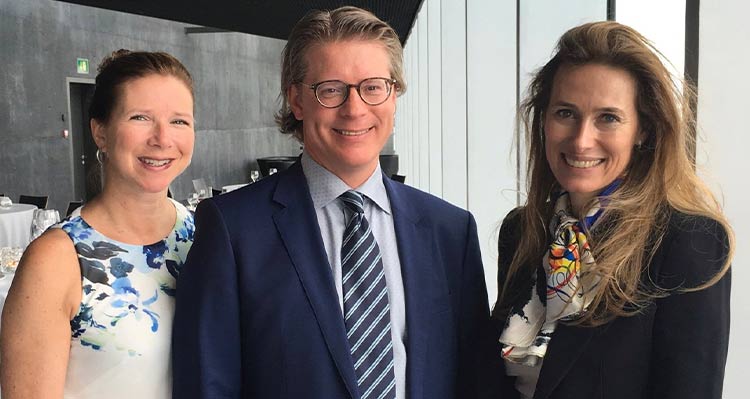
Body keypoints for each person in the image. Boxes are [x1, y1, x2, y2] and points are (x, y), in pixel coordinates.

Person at [172, 6, 499, 399]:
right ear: (296, 100)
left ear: (394, 95)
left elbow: (477, 381)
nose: (355, 108)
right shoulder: (233, 229)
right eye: (331, 89)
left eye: (373, 86)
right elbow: (208, 386)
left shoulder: (450, 231)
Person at [491, 21, 733, 399]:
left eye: (608, 117)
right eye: (565, 113)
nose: (582, 139)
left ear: (644, 130)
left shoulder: (688, 242)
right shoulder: (523, 231)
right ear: (544, 120)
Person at [0, 50, 196, 398]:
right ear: (100, 132)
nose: (163, 138)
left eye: (179, 121)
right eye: (140, 118)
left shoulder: (203, 234)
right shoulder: (56, 260)